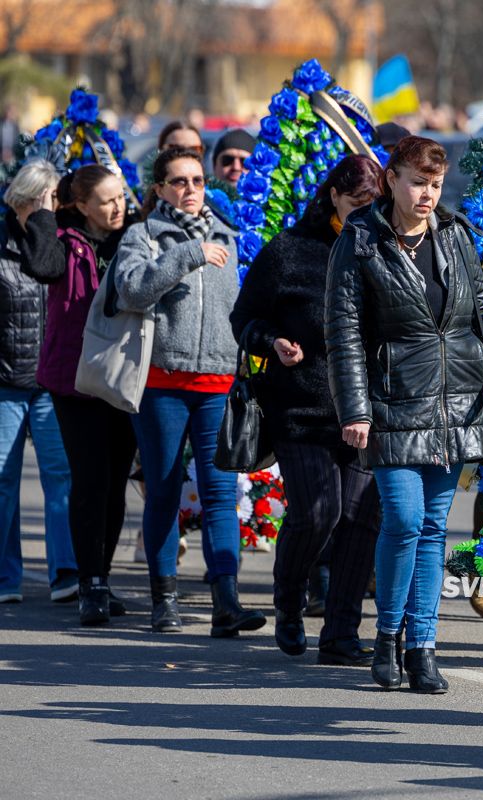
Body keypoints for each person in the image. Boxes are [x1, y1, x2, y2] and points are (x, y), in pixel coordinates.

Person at [325, 136, 483, 693]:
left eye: (436, 185)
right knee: (401, 518)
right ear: (391, 180)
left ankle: (422, 649)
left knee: (431, 528)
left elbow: (482, 314)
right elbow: (344, 333)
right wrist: (354, 409)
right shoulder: (359, 242)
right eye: (418, 182)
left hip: (456, 403)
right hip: (393, 402)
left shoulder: (455, 235)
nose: (427, 194)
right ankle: (387, 638)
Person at [230, 154, 384, 665]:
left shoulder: (384, 248)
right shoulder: (289, 251)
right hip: (300, 406)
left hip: (367, 407)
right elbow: (244, 316)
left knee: (361, 519)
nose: (367, 210)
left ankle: (341, 632)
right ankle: (290, 599)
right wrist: (271, 340)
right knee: (319, 512)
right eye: (357, 201)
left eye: (374, 202)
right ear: (333, 197)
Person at [113, 147, 265, 638]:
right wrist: (186, 255)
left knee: (221, 492)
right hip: (161, 383)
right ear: (159, 189)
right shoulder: (143, 236)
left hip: (218, 382)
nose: (191, 189)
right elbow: (132, 291)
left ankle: (227, 601)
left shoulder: (227, 234)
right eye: (178, 181)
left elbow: (239, 308)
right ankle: (165, 597)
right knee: (163, 490)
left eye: (197, 180)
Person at [18, 164, 136, 626]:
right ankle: (89, 585)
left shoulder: (135, 238)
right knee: (90, 482)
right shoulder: (65, 242)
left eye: (121, 196)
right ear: (82, 205)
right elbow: (42, 267)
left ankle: (102, 578)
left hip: (124, 377)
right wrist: (45, 216)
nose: (117, 206)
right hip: (74, 380)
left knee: (115, 486)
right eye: (106, 200)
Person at [0, 160, 75, 606]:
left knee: (60, 476)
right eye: (48, 200)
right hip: (6, 381)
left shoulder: (59, 241)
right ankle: (6, 576)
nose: (54, 208)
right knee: (3, 481)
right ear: (26, 199)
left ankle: (64, 570)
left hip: (50, 383)